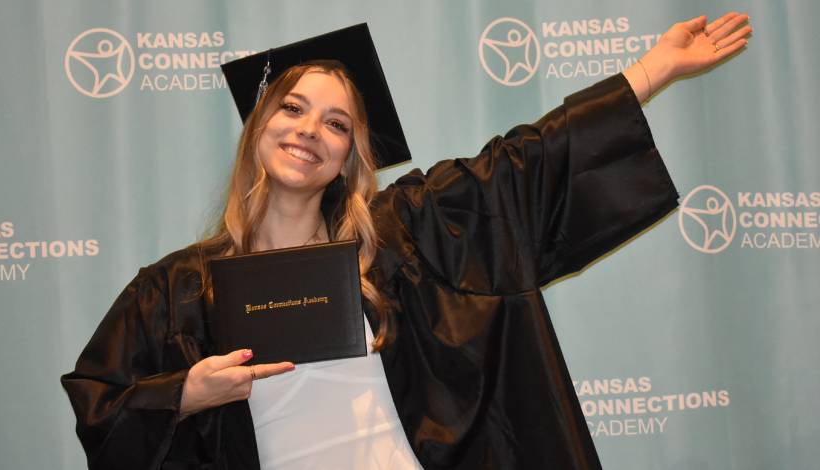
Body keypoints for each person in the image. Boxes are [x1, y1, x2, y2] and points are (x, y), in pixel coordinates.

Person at [61, 13, 752, 470]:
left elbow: (524, 161)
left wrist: (652, 69)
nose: (310, 131)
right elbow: (103, 405)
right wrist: (184, 392)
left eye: (337, 124)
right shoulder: (174, 291)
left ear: (352, 156)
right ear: (258, 128)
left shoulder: (406, 237)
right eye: (293, 108)